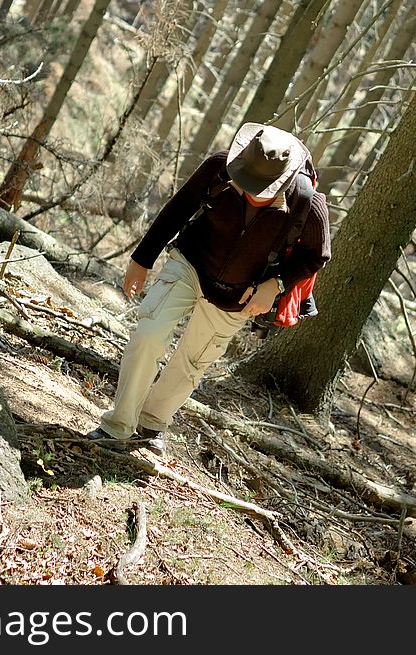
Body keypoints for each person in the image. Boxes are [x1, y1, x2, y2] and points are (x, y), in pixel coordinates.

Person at [86, 123, 331, 456]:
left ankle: (152, 423)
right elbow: (177, 208)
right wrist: (142, 259)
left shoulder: (307, 202)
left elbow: (317, 255)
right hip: (190, 263)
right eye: (249, 183)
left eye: (263, 188)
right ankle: (117, 426)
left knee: (193, 361)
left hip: (240, 295)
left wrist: (275, 285)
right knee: (149, 334)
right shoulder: (219, 168)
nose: (252, 192)